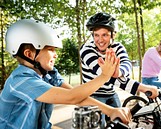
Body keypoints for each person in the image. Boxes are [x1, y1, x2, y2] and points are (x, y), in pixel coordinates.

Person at [0, 19, 132, 129]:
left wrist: (111, 110)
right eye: (50, 49)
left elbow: (77, 96)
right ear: (29, 54)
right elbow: (71, 97)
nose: (55, 55)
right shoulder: (20, 81)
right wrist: (104, 76)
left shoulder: (48, 74)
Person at [80, 12, 159, 128]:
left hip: (111, 94)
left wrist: (119, 72)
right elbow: (106, 76)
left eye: (105, 35)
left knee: (123, 123)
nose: (100, 40)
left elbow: (127, 63)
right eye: (96, 35)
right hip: (92, 96)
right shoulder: (86, 49)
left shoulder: (118, 47)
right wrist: (142, 87)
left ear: (113, 35)